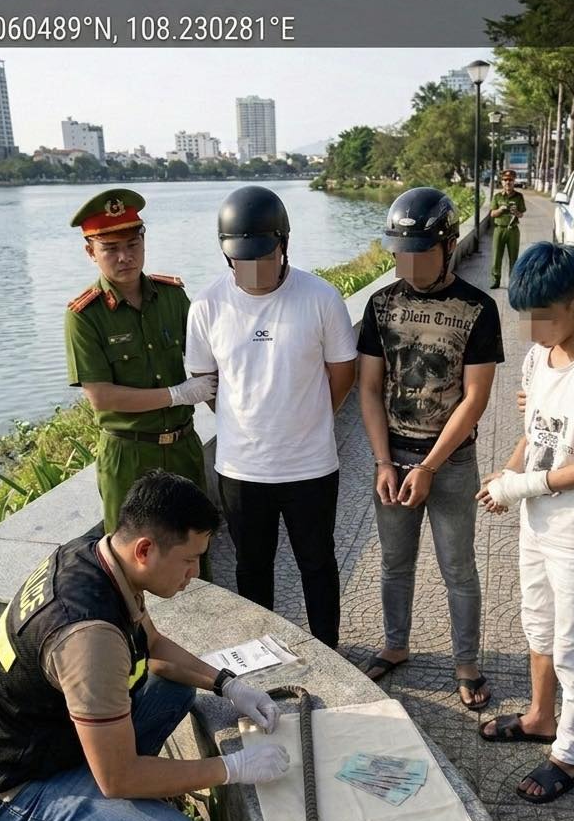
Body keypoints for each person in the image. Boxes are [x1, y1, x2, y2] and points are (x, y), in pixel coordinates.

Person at [0, 470, 289, 821]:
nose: (195, 576)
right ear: (146, 549)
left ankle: (94, 819)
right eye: (190, 561)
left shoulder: (95, 555)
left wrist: (229, 684)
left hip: (49, 742)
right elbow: (119, 778)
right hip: (10, 790)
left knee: (173, 685)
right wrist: (232, 769)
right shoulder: (88, 635)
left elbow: (153, 646)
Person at [477, 242, 574, 802]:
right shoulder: (537, 358)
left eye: (543, 316)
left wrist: (525, 486)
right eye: (526, 317)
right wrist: (506, 475)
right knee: (537, 626)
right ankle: (541, 715)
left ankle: (569, 755)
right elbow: (535, 435)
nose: (533, 328)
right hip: (538, 522)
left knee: (572, 646)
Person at [185, 186, 357, 649]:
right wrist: (245, 419)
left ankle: (328, 649)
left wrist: (311, 417)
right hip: (241, 469)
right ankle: (260, 649)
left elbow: (343, 371)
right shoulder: (206, 305)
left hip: (311, 466)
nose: (254, 269)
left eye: (265, 255)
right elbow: (205, 379)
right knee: (251, 567)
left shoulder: (320, 296)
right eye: (243, 259)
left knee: (317, 563)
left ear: (284, 243)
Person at [358, 187, 504, 707]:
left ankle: (467, 663)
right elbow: (369, 388)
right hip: (392, 457)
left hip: (452, 461)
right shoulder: (381, 304)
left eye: (420, 252)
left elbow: (475, 398)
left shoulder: (477, 308)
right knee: (395, 563)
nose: (410, 263)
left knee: (457, 566)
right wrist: (384, 461)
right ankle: (395, 645)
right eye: (401, 252)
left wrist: (430, 466)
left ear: (447, 246)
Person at [65, 189, 215, 535]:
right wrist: (177, 394)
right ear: (91, 252)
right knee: (132, 556)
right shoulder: (85, 316)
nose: (124, 257)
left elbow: (206, 357)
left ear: (144, 242)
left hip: (182, 447)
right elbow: (102, 397)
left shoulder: (173, 296)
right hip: (128, 453)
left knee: (193, 545)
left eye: (132, 245)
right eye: (110, 249)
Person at [489, 169, 526, 289]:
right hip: (499, 229)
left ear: (514, 181)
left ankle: (513, 281)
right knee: (496, 256)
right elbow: (492, 214)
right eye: (505, 180)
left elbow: (521, 214)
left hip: (513, 230)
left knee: (513, 257)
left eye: (510, 180)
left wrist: (516, 212)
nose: (507, 182)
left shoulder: (519, 196)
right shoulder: (497, 196)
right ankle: (496, 280)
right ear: (502, 182)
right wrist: (500, 209)